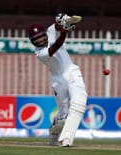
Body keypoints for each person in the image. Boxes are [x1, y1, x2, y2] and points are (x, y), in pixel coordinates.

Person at [28, 13, 87, 147]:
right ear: (32, 41)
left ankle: (66, 139)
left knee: (79, 100)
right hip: (58, 81)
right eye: (36, 39)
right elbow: (56, 46)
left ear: (44, 34)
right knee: (63, 117)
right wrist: (65, 31)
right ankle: (54, 131)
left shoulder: (49, 32)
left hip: (71, 71)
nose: (40, 41)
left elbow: (56, 26)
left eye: (41, 37)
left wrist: (62, 21)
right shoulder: (39, 53)